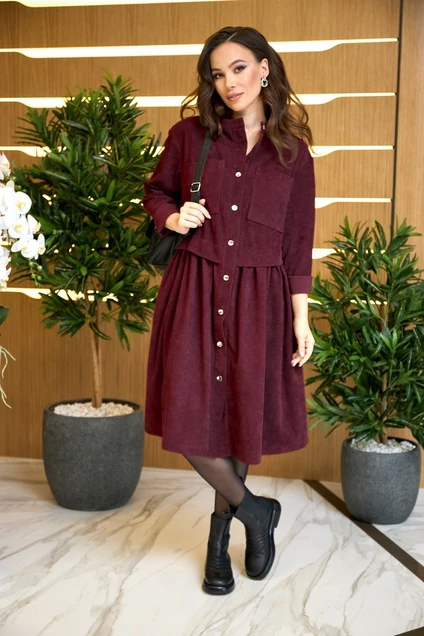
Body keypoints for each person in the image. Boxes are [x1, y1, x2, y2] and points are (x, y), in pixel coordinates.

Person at [142, 25, 316, 595]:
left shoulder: (292, 152)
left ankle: (220, 541)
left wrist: (301, 317)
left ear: (264, 68)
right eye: (218, 74)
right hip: (194, 290)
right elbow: (156, 192)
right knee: (190, 415)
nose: (229, 83)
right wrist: (173, 217)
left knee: (238, 418)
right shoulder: (190, 135)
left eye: (238, 68)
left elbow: (298, 240)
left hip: (260, 301)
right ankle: (256, 512)